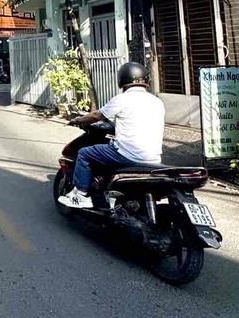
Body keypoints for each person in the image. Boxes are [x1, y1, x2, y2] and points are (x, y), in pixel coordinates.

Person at [58, 61, 165, 209]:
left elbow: (96, 116)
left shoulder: (123, 99)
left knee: (84, 153)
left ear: (122, 80)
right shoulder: (157, 102)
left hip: (128, 155)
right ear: (146, 80)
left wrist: (78, 120)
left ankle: (80, 195)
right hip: (153, 158)